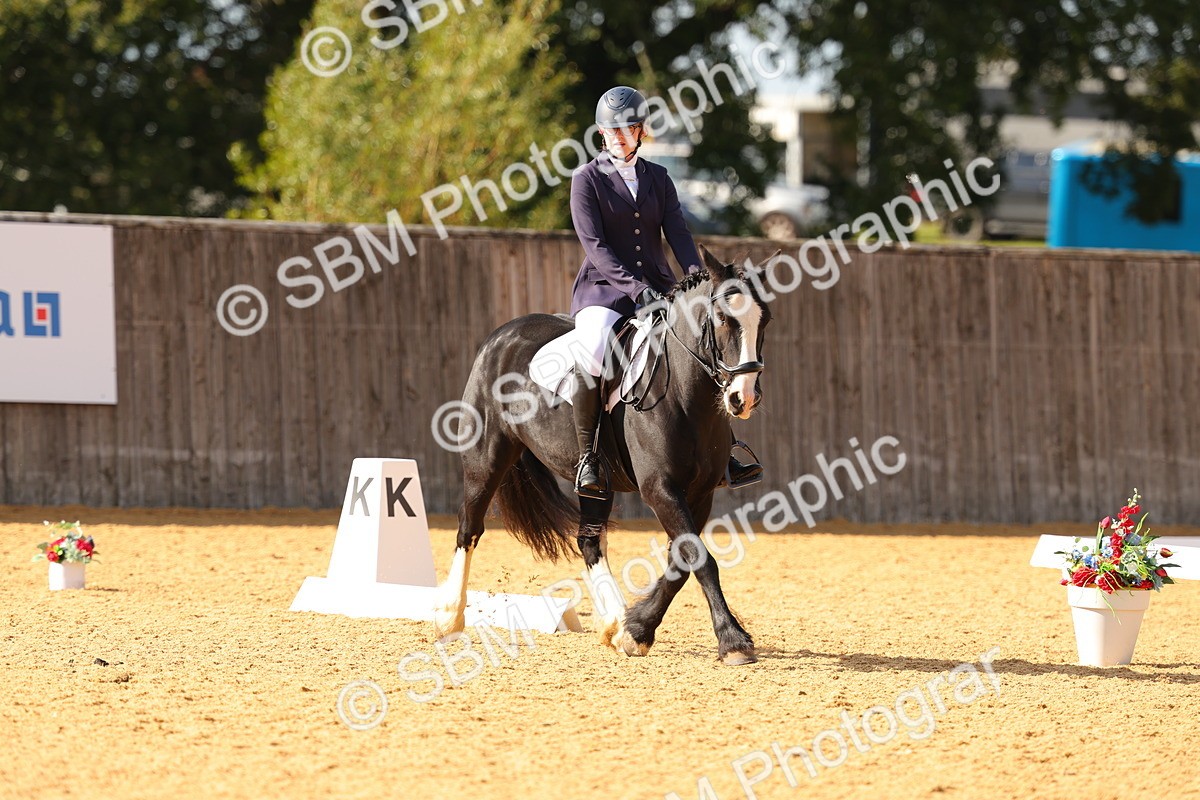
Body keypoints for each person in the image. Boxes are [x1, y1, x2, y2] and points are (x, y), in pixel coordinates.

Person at [567, 85, 763, 500]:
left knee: (703, 346)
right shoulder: (586, 180)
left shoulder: (658, 177)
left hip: (660, 289)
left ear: (641, 132)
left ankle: (722, 453)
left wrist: (699, 283)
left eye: (628, 129)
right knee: (593, 348)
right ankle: (589, 457)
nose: (619, 136)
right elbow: (596, 248)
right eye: (611, 131)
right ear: (601, 134)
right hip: (604, 292)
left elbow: (678, 233)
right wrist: (635, 289)